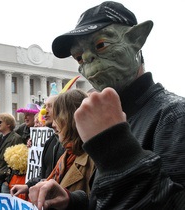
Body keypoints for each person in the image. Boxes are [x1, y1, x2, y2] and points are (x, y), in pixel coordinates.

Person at [28, 1, 185, 209]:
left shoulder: (173, 116)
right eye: (78, 58)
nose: (87, 60)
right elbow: (112, 198)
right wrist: (72, 201)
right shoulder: (118, 115)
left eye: (101, 45)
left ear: (136, 39)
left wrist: (115, 149)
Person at [12, 89, 95, 198]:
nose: (55, 124)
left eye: (58, 115)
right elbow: (48, 177)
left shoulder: (94, 159)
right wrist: (29, 186)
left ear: (71, 119)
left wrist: (70, 201)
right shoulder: (66, 152)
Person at [0, 113, 23, 195]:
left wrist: (7, 180)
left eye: (0, 122)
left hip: (5, 182)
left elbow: (17, 163)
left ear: (8, 124)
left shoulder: (16, 138)